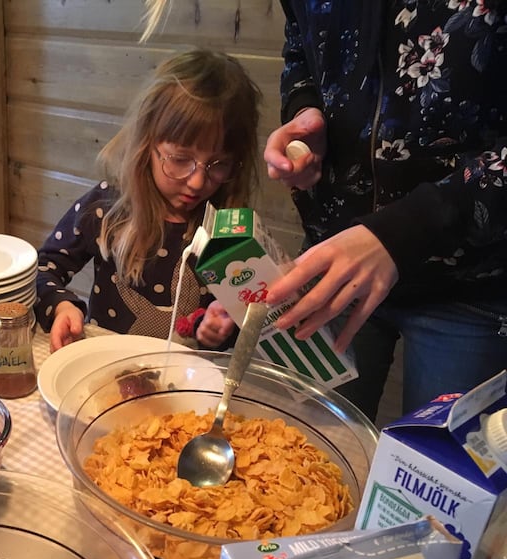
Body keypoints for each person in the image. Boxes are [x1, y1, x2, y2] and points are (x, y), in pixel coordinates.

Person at [142, 0, 507, 421]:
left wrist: (406, 227)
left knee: (434, 474)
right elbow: (303, 45)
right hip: (333, 258)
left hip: (471, 278)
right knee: (307, 439)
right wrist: (305, 109)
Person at [34, 49, 261, 352]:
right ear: (146, 143)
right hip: (107, 372)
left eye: (218, 164)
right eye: (180, 159)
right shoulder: (105, 209)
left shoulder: (229, 229)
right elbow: (43, 268)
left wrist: (224, 327)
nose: (197, 181)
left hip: (189, 388)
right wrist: (62, 306)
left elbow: (251, 319)